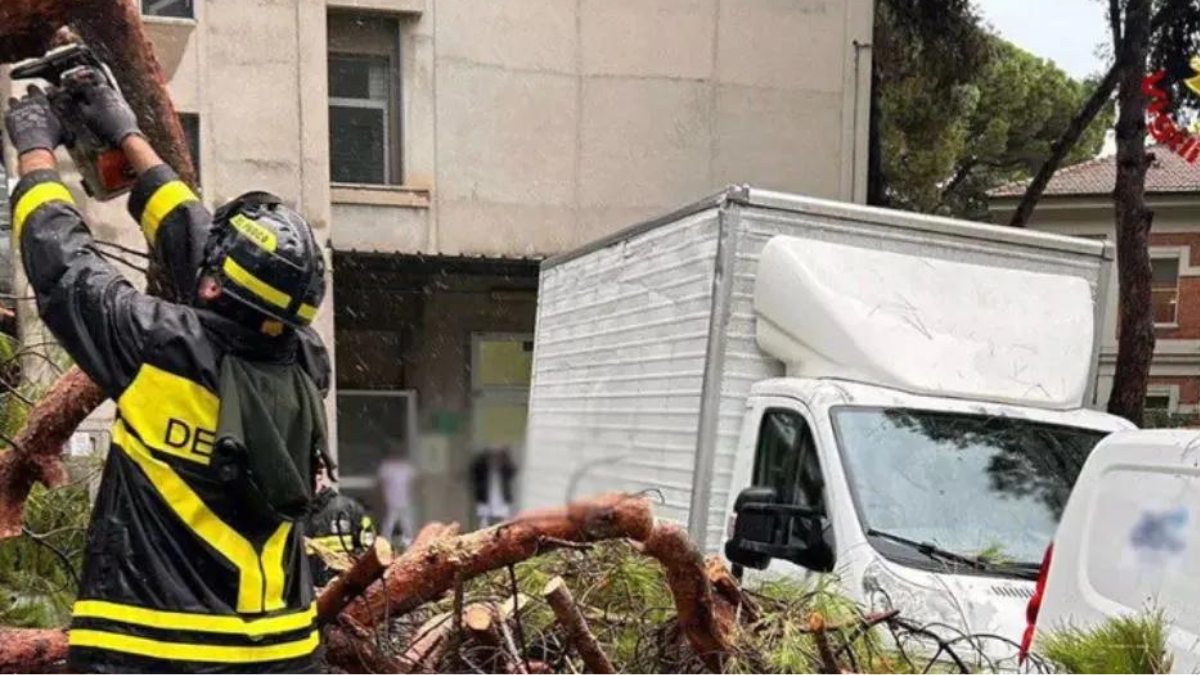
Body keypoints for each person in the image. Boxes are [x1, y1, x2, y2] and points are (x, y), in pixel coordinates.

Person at [5, 82, 331, 673]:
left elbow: (61, 264)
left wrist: (34, 151)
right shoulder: (307, 359)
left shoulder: (156, 344)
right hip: (285, 653)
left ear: (211, 287)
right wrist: (128, 135)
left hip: (153, 653)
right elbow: (209, 256)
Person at [305, 467, 376, 586]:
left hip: (345, 594)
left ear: (320, 476)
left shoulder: (349, 510)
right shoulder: (293, 516)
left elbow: (371, 554)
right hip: (307, 598)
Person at [469, 445, 516, 527]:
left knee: (504, 517)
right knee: (484, 518)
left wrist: (504, 457)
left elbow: (512, 471)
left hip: (501, 496)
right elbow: (475, 470)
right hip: (485, 496)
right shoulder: (483, 468)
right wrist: (484, 456)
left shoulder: (504, 468)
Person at [376, 448, 415, 546]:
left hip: (405, 500)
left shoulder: (406, 468)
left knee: (406, 522)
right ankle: (385, 541)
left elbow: (414, 483)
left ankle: (408, 542)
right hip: (391, 500)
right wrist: (382, 499)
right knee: (390, 522)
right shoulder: (387, 468)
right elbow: (380, 484)